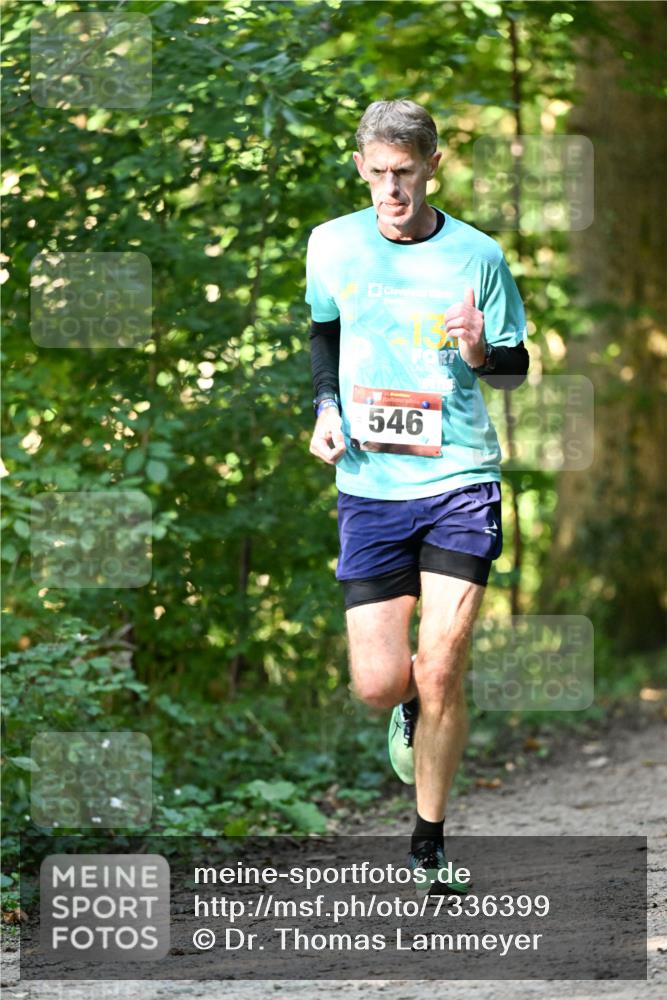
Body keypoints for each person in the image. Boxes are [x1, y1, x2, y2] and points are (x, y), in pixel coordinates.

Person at [305, 100, 528, 892]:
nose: (390, 190)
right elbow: (323, 331)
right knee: (378, 684)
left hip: (459, 478)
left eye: (403, 172)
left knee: (440, 668)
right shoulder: (331, 243)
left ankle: (428, 845)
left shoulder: (477, 255)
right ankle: (406, 708)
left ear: (433, 164)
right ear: (359, 167)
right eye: (377, 174)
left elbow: (513, 369)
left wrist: (479, 348)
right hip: (369, 484)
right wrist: (325, 408)